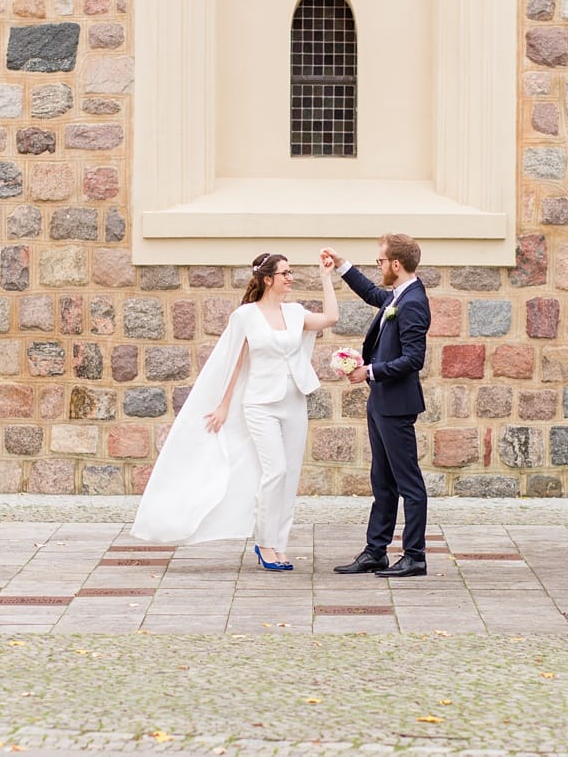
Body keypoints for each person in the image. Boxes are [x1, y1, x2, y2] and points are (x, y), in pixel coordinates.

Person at [132, 253, 339, 569]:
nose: (290, 277)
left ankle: (278, 544)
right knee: (276, 471)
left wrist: (327, 278)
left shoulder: (296, 313)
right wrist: (223, 405)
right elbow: (235, 362)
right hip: (259, 404)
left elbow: (331, 318)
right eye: (285, 273)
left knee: (290, 474)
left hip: (293, 401)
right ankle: (265, 543)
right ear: (268, 278)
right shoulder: (246, 316)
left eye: (291, 272)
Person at [322, 235, 431, 579]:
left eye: (381, 262)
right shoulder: (399, 296)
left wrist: (368, 370)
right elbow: (372, 294)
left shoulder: (413, 302)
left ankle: (414, 556)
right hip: (381, 402)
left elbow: (413, 359)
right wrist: (341, 264)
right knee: (382, 481)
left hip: (397, 405)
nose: (379, 266)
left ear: (396, 264)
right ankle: (376, 551)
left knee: (408, 483)